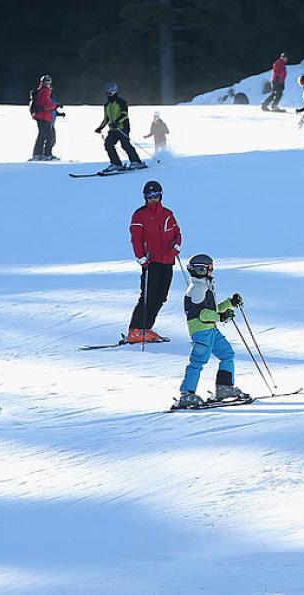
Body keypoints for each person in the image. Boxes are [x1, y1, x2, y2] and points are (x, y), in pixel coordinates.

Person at [174, 254, 248, 409]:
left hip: (211, 329)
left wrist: (230, 303)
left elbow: (211, 310)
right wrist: (221, 317)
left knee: (227, 354)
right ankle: (186, 394)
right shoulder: (197, 289)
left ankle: (224, 388)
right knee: (197, 361)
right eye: (209, 268)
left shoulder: (204, 286)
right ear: (200, 270)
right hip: (201, 332)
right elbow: (202, 314)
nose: (211, 271)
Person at [127, 180, 182, 344]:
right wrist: (140, 256)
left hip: (167, 260)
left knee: (160, 297)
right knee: (148, 296)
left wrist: (176, 245)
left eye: (156, 195)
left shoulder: (168, 214)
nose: (153, 199)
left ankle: (146, 328)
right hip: (151, 261)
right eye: (150, 196)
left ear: (161, 195)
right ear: (145, 197)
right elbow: (136, 238)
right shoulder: (140, 215)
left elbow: (177, 233)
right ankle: (135, 329)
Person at [95, 82, 145, 172]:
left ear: (114, 92)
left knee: (125, 145)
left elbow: (124, 114)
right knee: (108, 144)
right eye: (107, 93)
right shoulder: (107, 105)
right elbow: (106, 118)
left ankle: (136, 162)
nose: (108, 95)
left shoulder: (121, 102)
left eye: (110, 93)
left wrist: (116, 122)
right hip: (113, 129)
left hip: (122, 127)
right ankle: (116, 164)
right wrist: (100, 127)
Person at [29, 75, 60, 161]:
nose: (47, 84)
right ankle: (45, 155)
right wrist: (55, 106)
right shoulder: (45, 91)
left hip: (41, 116)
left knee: (43, 136)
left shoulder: (40, 91)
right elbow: (46, 104)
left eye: (48, 82)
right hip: (44, 117)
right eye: (46, 82)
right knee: (49, 136)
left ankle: (39, 154)